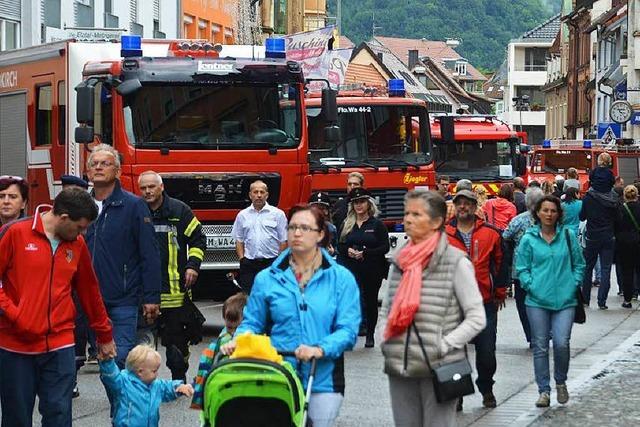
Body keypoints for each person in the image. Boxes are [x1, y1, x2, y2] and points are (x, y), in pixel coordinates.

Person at [221, 205, 361, 427]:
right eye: (293, 227)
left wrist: (320, 349)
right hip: (277, 375)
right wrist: (239, 339)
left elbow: (348, 330)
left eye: (305, 228)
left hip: (323, 379)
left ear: (321, 234)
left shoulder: (341, 279)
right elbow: (252, 322)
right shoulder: (266, 278)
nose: (297, 233)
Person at [0, 188, 115, 426]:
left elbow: (89, 291)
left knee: (59, 414)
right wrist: (15, 314)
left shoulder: (77, 244)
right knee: (17, 418)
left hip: (60, 343)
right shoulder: (14, 233)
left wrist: (104, 335)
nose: (82, 233)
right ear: (63, 218)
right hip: (15, 346)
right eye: (79, 227)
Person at [381, 189, 486, 427]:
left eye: (417, 214)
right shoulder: (400, 261)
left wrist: (444, 344)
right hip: (401, 364)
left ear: (437, 221)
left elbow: (476, 317)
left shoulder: (455, 261)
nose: (408, 219)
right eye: (407, 213)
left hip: (439, 365)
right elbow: (386, 308)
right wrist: (384, 339)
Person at [85, 144, 162, 370]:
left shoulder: (134, 205)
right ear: (88, 171)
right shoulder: (80, 205)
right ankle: (121, 403)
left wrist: (152, 296)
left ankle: (124, 405)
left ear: (117, 171)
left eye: (105, 164)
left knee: (118, 359)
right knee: (102, 361)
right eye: (94, 164)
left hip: (123, 299)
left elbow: (150, 253)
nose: (98, 167)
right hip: (87, 300)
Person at [515, 195, 585, 408]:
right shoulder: (529, 238)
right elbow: (522, 268)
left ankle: (561, 381)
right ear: (537, 213)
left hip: (565, 300)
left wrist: (573, 283)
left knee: (562, 343)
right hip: (536, 300)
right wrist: (531, 285)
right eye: (545, 210)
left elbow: (580, 264)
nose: (549, 214)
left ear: (558, 214)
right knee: (540, 346)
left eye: (553, 211)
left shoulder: (567, 235)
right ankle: (543, 390)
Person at [138, 171, 207, 382]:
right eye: (143, 188)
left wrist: (193, 266)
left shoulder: (179, 210)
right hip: (143, 291)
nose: (148, 191)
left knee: (177, 344)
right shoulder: (136, 211)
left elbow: (198, 239)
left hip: (175, 291)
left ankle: (179, 379)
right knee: (143, 343)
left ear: (161, 188)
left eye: (152, 187)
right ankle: (143, 384)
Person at [446, 189, 504, 409]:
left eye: (467, 203)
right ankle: (457, 394)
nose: (463, 207)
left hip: (483, 302)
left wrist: (499, 291)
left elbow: (500, 264)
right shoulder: (443, 234)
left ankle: (486, 386)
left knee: (487, 352)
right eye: (459, 203)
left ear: (475, 205)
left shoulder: (491, 233)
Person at [337, 188, 390, 347]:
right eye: (355, 203)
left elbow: (385, 247)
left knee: (370, 301)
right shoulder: (347, 224)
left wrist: (366, 252)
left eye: (362, 202)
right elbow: (340, 245)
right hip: (351, 267)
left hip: (372, 268)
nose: (359, 206)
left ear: (368, 204)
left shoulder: (377, 224)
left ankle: (370, 334)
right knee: (351, 301)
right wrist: (349, 251)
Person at [99, 344, 194, 427]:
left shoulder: (156, 385)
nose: (157, 374)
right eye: (154, 371)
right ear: (140, 371)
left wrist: (179, 387)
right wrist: (107, 362)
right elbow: (112, 377)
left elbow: (167, 387)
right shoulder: (123, 383)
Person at [503, 187, 545, 346]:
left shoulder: (518, 220)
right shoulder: (547, 219)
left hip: (520, 269)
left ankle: (531, 335)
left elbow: (505, 236)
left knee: (523, 304)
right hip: (543, 268)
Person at [191, 292, 248, 410]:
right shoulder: (221, 342)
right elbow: (205, 369)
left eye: (237, 328)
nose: (233, 333)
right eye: (229, 328)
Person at [231, 180, 288, 293]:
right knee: (249, 297)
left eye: (262, 192)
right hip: (249, 264)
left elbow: (284, 240)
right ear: (250, 195)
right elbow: (239, 240)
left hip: (271, 263)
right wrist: (242, 259)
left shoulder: (278, 214)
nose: (259, 195)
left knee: (272, 296)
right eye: (255, 192)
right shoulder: (242, 215)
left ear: (267, 195)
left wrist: (278, 261)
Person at [579, 171, 618, 309]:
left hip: (592, 236)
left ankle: (585, 299)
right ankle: (602, 301)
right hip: (608, 236)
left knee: (588, 267)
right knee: (606, 268)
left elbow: (582, 217)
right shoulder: (614, 197)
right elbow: (617, 218)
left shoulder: (589, 197)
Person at [615, 185, 640, 308]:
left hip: (624, 243)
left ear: (625, 196)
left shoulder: (621, 209)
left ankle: (627, 300)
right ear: (637, 195)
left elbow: (616, 227)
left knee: (627, 272)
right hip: (638, 242)